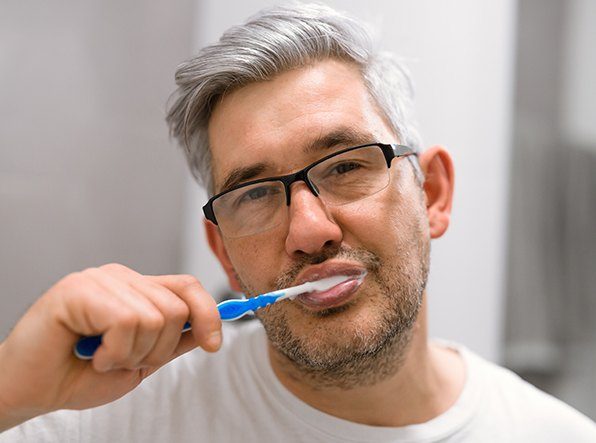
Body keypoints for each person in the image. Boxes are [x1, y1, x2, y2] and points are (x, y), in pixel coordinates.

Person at [1, 3, 595, 442]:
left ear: (432, 194)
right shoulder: (100, 421)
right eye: (256, 194)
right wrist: (13, 388)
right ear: (224, 253)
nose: (310, 230)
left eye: (345, 166)